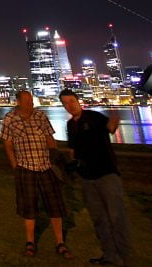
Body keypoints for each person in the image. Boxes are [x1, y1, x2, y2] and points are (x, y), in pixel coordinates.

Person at [60, 89, 132, 266]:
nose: (69, 105)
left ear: (78, 100)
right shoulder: (70, 125)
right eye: (65, 103)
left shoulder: (93, 116)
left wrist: (114, 122)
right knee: (99, 218)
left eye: (71, 101)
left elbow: (110, 128)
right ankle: (109, 255)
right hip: (87, 177)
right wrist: (73, 165)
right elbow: (72, 149)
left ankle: (124, 257)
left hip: (106, 174)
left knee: (116, 217)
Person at [1, 90, 72, 259]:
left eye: (31, 100)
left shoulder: (40, 116)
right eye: (26, 101)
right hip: (25, 168)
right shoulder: (9, 119)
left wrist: (54, 159)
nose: (30, 104)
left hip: (45, 167)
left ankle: (60, 242)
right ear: (18, 102)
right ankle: (30, 242)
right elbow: (8, 145)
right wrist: (15, 166)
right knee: (29, 207)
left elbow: (50, 139)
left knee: (55, 206)